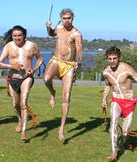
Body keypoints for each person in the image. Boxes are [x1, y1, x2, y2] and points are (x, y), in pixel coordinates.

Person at [101, 47, 137, 161]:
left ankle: (121, 144)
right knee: (113, 124)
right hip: (116, 100)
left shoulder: (127, 69)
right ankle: (114, 153)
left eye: (115, 58)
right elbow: (108, 85)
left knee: (125, 132)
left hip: (129, 102)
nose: (112, 61)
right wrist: (104, 99)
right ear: (107, 58)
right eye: (109, 59)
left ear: (119, 58)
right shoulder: (106, 72)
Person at [0, 25, 43, 140]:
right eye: (14, 35)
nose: (17, 38)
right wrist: (13, 66)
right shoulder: (8, 46)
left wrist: (34, 69)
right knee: (15, 104)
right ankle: (20, 120)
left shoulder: (31, 46)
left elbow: (40, 58)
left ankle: (24, 132)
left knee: (23, 103)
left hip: (27, 77)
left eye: (19, 35)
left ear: (24, 36)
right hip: (12, 78)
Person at [45, 8, 83, 140]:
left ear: (73, 18)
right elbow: (51, 34)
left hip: (69, 65)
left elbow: (79, 49)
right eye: (64, 18)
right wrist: (48, 28)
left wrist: (78, 63)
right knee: (46, 79)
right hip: (57, 60)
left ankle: (61, 129)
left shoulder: (76, 33)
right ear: (61, 18)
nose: (66, 20)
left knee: (66, 97)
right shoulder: (59, 27)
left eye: (69, 18)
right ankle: (52, 93)